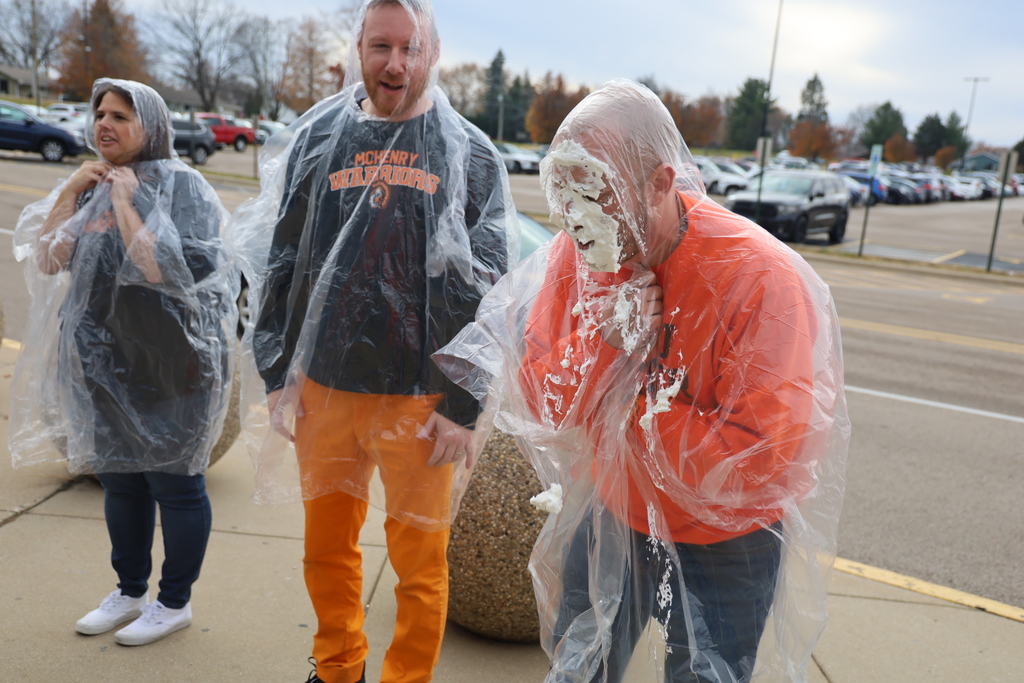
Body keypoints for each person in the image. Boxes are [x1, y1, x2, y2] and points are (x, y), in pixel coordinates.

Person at [435, 80, 849, 682]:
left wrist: (632, 400)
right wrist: (607, 343)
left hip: (727, 544)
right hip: (612, 511)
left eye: (596, 190)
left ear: (660, 183)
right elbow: (546, 403)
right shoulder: (574, 262)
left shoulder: (761, 280)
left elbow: (764, 456)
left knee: (706, 674)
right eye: (566, 192)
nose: (577, 215)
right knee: (579, 667)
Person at [234, 1, 514, 681]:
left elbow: (492, 287)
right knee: (326, 548)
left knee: (420, 567)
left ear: (434, 52)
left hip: (422, 401)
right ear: (357, 47)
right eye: (381, 45)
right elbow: (284, 257)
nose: (396, 63)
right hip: (325, 388)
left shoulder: (468, 151)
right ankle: (338, 667)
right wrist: (279, 371)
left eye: (411, 48)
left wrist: (466, 402)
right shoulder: (321, 137)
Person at [9, 79, 236, 646]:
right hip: (102, 367)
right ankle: (130, 590)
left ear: (151, 126)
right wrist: (70, 190)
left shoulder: (186, 188)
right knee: (121, 484)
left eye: (119, 116)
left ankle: (173, 602)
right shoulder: (88, 184)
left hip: (174, 367)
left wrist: (125, 203)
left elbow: (164, 270)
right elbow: (48, 257)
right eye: (100, 114)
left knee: (175, 486)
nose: (103, 125)